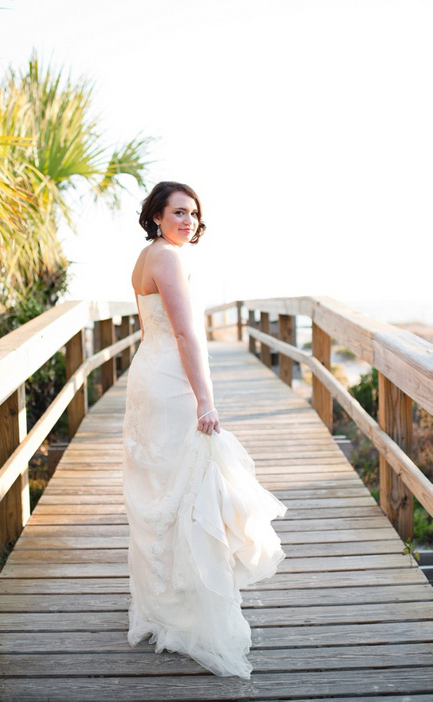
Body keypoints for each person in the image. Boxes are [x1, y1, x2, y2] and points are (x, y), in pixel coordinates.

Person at [122, 181, 287, 679]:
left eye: (193, 213)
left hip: (148, 375)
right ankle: (190, 612)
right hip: (172, 384)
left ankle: (168, 604)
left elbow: (151, 330)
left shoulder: (145, 256)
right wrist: (206, 400)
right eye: (178, 212)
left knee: (166, 491)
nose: (188, 221)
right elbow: (186, 332)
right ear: (155, 216)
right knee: (190, 490)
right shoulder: (168, 259)